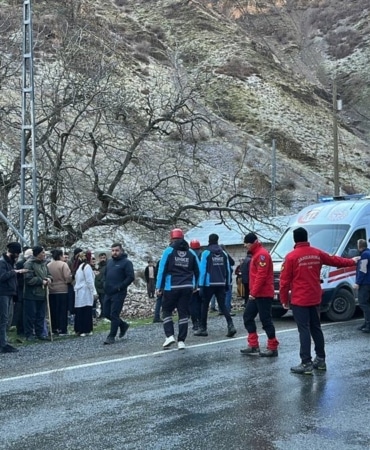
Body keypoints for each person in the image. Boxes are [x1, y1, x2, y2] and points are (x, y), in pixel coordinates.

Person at [280, 227, 358, 375]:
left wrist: (284, 300)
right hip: (315, 297)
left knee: (304, 330)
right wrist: (351, 262)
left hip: (300, 299)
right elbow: (335, 260)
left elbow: (284, 282)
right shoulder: (317, 253)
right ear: (307, 237)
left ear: (295, 240)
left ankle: (306, 363)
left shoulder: (291, 257)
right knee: (316, 328)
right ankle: (320, 359)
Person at [156, 228, 200, 350]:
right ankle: (181, 341)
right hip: (187, 287)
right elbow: (198, 270)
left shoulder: (168, 251)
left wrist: (159, 287)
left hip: (171, 286)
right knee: (183, 313)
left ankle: (169, 335)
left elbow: (162, 269)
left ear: (171, 238)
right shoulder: (191, 252)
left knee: (166, 311)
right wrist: (196, 285)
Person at [240, 233, 279, 357]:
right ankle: (253, 345)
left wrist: (253, 293)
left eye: (246, 243)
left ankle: (272, 347)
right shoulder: (256, 254)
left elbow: (261, 276)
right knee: (247, 316)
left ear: (252, 243)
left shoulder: (262, 255)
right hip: (256, 294)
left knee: (265, 320)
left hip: (263, 294)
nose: (245, 245)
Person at [195, 233, 236, 338]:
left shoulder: (206, 253)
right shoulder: (223, 253)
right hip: (221, 283)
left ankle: (203, 328)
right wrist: (227, 283)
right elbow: (227, 269)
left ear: (209, 240)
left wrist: (201, 285)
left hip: (209, 283)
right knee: (222, 305)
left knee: (204, 305)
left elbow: (202, 270)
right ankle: (230, 325)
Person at [102, 243, 135, 345]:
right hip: (108, 291)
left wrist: (121, 286)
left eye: (116, 250)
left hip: (119, 292)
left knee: (114, 314)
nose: (114, 253)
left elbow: (130, 277)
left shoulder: (126, 263)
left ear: (121, 251)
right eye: (113, 251)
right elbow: (104, 274)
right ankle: (123, 325)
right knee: (106, 313)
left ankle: (111, 336)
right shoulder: (110, 262)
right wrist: (104, 284)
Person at [23, 246, 53, 341]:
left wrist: (49, 279)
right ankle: (29, 334)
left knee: (41, 315)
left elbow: (49, 274)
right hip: (31, 294)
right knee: (31, 315)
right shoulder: (29, 264)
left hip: (43, 293)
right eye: (43, 253)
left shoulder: (44, 264)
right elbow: (28, 279)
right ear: (38, 254)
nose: (44, 254)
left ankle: (40, 333)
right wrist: (41, 281)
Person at [0, 242, 24, 353]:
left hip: (9, 293)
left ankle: (4, 341)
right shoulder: (2, 262)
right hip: (3, 293)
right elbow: (2, 277)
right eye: (17, 253)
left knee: (7, 318)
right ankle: (2, 344)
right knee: (3, 318)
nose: (18, 256)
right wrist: (14, 272)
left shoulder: (9, 262)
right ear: (13, 252)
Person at [47, 249, 72, 336]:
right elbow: (67, 277)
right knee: (62, 310)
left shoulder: (48, 265)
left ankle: (54, 328)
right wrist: (68, 281)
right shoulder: (63, 265)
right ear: (61, 256)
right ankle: (63, 329)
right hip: (62, 289)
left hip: (51, 290)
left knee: (53, 310)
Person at [74, 251, 96, 336]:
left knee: (80, 310)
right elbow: (89, 281)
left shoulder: (80, 267)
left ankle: (80, 329)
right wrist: (94, 292)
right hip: (85, 291)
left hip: (80, 292)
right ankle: (86, 329)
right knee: (86, 310)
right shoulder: (87, 267)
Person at [189, 239, 202, 330]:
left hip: (193, 284)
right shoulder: (203, 255)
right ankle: (201, 322)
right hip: (201, 284)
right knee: (200, 304)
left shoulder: (189, 255)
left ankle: (195, 323)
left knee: (192, 305)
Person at [220, 244, 235, 315]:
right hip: (227, 279)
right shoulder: (225, 255)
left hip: (218, 280)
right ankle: (227, 310)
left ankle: (221, 310)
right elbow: (232, 263)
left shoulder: (214, 255)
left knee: (220, 295)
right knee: (228, 294)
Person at [94, 252, 107, 319]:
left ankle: (104, 314)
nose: (102, 259)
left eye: (104, 258)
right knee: (98, 302)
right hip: (97, 287)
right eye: (101, 258)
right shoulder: (97, 266)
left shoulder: (108, 266)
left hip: (103, 287)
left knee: (103, 302)